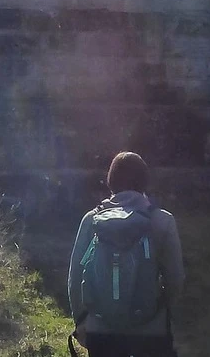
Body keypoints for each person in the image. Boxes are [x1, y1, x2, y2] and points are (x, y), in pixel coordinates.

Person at [68, 152, 184, 357]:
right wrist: (169, 318)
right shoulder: (163, 221)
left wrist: (82, 320)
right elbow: (175, 278)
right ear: (145, 182)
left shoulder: (91, 220)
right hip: (151, 330)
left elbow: (75, 278)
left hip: (100, 328)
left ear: (110, 182)